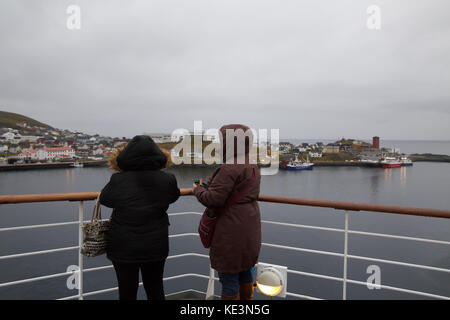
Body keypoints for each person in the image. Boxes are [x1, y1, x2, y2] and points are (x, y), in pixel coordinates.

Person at [100, 135, 180, 300]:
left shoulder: (118, 179)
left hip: (123, 245)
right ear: (158, 156)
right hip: (155, 245)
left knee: (127, 291)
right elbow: (173, 197)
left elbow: (106, 200)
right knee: (155, 288)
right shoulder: (168, 179)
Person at [192, 124, 262, 300]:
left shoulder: (230, 167)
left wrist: (197, 189)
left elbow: (213, 199)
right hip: (249, 223)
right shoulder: (251, 164)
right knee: (244, 270)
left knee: (229, 277)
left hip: (230, 228)